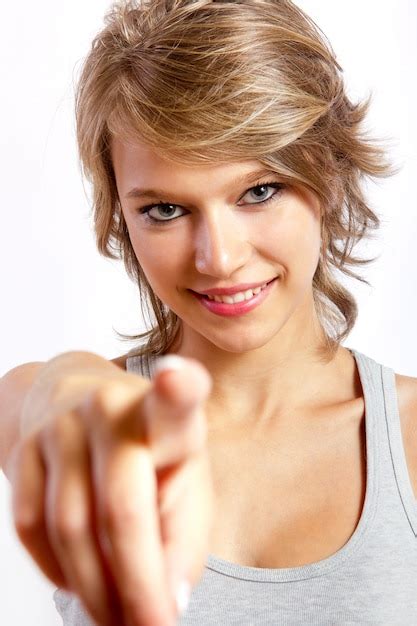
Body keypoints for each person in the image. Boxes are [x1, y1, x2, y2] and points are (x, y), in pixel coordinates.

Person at [1, 0, 417, 625]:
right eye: (165, 210)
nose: (218, 258)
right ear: (121, 215)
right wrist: (55, 391)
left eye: (259, 191)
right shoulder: (92, 425)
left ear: (328, 174)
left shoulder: (407, 438)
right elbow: (33, 401)